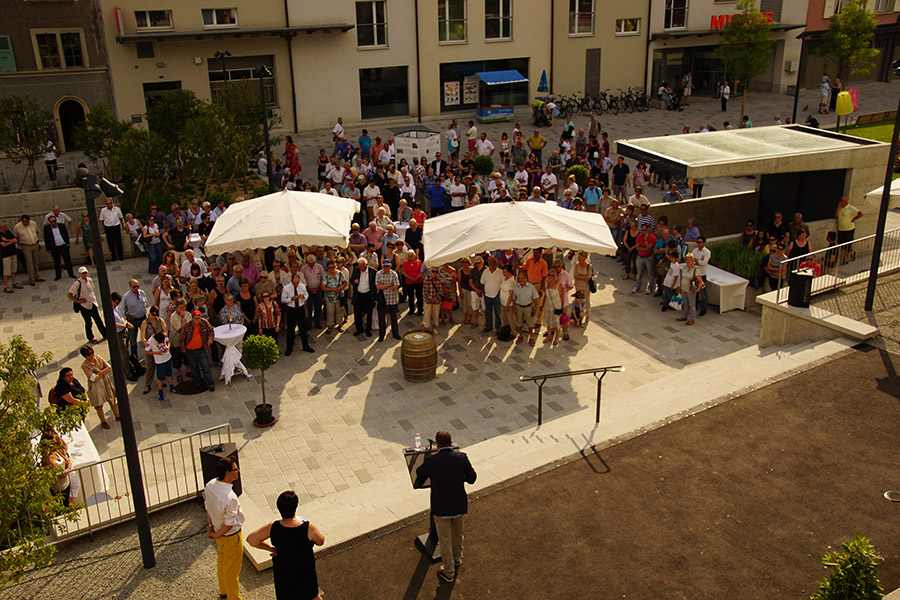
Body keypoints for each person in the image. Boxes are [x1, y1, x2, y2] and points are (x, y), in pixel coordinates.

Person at [414, 430, 477, 583]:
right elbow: (472, 478)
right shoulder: (461, 458)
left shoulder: (432, 461)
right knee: (458, 534)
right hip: (459, 504)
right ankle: (457, 559)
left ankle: (448, 572)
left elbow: (419, 473)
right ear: (451, 443)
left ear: (437, 445)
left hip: (441, 507)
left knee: (445, 540)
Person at [247, 491, 325, 600]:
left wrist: (269, 548)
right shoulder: (307, 527)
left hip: (283, 572)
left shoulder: (273, 527)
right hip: (304, 570)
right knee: (313, 596)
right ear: (295, 507)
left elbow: (251, 540)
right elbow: (320, 541)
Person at [205, 457, 244, 600]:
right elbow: (229, 524)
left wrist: (212, 529)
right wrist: (217, 534)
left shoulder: (210, 486)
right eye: (235, 469)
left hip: (218, 531)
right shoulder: (230, 497)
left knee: (222, 563)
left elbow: (207, 507)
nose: (238, 471)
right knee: (232, 571)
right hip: (231, 536)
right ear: (228, 473)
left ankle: (224, 592)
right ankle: (233, 597)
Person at [79, 345, 119, 428]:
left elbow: (109, 367)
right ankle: (103, 421)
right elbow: (92, 378)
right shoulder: (85, 365)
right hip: (96, 386)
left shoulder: (98, 358)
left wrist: (99, 373)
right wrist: (103, 372)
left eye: (92, 352)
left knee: (112, 399)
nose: (92, 355)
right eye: (89, 354)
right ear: (85, 356)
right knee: (99, 405)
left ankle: (117, 414)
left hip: (105, 382)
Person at [68, 266, 106, 344]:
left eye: (85, 272)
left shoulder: (89, 280)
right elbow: (69, 294)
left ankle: (105, 334)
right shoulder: (77, 283)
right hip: (84, 306)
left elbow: (91, 291)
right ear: (79, 274)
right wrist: (78, 301)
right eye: (83, 273)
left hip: (92, 304)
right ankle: (91, 337)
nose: (84, 274)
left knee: (98, 320)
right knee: (88, 322)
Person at [282, 274, 314, 354]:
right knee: (291, 329)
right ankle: (289, 348)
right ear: (292, 281)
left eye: (297, 282)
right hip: (291, 309)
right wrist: (291, 299)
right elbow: (283, 299)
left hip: (300, 308)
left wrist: (303, 297)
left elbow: (307, 295)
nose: (296, 284)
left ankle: (305, 346)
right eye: (295, 283)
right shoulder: (286, 288)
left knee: (303, 328)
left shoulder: (302, 286)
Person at [146, 331, 180, 402]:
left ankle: (171, 387)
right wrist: (156, 353)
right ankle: (160, 391)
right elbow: (146, 351)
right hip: (159, 361)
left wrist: (168, 347)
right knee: (160, 377)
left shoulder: (163, 336)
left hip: (167, 358)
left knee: (169, 374)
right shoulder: (150, 341)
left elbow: (168, 342)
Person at [375, 259, 401, 341]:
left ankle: (395, 334)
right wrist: (389, 285)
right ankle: (381, 335)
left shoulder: (394, 274)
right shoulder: (378, 273)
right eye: (384, 266)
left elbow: (396, 286)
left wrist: (384, 286)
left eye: (387, 266)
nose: (386, 268)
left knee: (394, 317)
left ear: (390, 266)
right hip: (382, 299)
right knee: (381, 318)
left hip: (392, 299)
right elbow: (378, 286)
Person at [44, 214, 75, 280]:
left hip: (63, 245)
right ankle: (58, 275)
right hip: (54, 247)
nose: (53, 223)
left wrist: (67, 244)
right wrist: (48, 248)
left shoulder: (61, 226)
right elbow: (46, 239)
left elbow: (66, 235)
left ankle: (71, 273)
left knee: (67, 261)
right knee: (57, 262)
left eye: (54, 221)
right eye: (51, 222)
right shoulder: (47, 229)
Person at [481, 256, 504, 334]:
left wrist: (499, 292)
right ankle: (489, 326)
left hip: (496, 296)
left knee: (498, 313)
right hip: (487, 295)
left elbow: (503, 283)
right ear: (488, 263)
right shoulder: (485, 271)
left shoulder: (500, 272)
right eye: (491, 262)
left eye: (494, 262)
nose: (492, 264)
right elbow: (482, 282)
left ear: (497, 264)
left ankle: (498, 327)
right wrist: (484, 292)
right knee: (488, 312)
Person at [677, 253, 702, 326]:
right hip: (684, 288)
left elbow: (700, 281)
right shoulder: (684, 268)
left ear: (692, 260)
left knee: (692, 305)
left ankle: (692, 318)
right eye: (686, 260)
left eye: (689, 260)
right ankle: (684, 316)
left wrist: (698, 289)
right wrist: (681, 288)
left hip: (691, 290)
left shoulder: (696, 270)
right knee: (685, 303)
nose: (687, 261)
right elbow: (682, 278)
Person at [835, 195, 863, 260]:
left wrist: (854, 219)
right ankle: (852, 253)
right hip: (841, 229)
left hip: (849, 229)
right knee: (842, 244)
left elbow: (860, 213)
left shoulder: (850, 208)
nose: (840, 202)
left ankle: (847, 258)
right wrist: (837, 208)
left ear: (846, 202)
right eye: (840, 200)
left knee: (848, 244)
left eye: (842, 201)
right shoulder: (840, 208)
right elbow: (836, 217)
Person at [98, 198, 126, 262]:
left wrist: (123, 226)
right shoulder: (103, 210)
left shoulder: (117, 209)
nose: (109, 205)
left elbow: (121, 218)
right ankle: (113, 256)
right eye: (108, 204)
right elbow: (101, 219)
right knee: (110, 242)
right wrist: (105, 225)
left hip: (116, 226)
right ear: (106, 204)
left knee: (118, 241)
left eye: (110, 203)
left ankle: (120, 255)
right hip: (108, 227)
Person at [0, 220, 21, 293]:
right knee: (6, 271)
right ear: (1, 227)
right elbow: (3, 244)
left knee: (13, 269)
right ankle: (6, 286)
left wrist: (8, 241)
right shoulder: (0, 235)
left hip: (13, 252)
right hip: (6, 255)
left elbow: (15, 239)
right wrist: (11, 241)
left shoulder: (8, 232)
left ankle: (14, 283)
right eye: (5, 225)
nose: (7, 226)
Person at [693, 237, 711, 317]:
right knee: (695, 292)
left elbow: (703, 262)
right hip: (695, 274)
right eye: (697, 242)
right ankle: (695, 306)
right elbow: (692, 260)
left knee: (703, 293)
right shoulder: (694, 251)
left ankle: (703, 309)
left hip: (702, 274)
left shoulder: (707, 252)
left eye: (700, 242)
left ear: (704, 243)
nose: (698, 244)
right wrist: (697, 262)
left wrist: (697, 262)